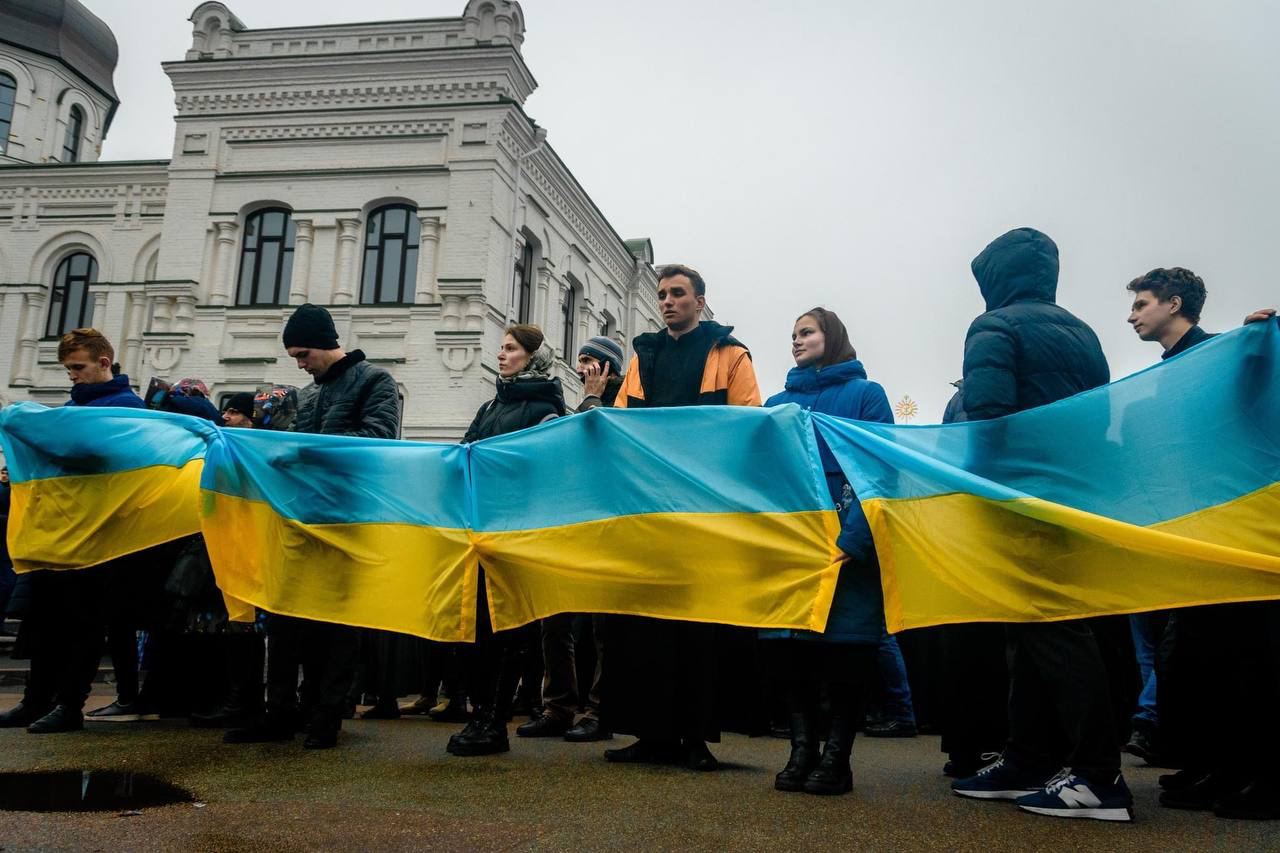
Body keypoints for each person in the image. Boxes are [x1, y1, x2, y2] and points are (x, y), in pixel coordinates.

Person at [948, 228, 1134, 822]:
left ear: (993, 278)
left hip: (1016, 498)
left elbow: (988, 418)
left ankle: (1099, 775)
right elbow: (1094, 417)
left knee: (1052, 630)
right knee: (1031, 631)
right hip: (1072, 496)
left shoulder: (993, 327)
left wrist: (973, 494)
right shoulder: (1084, 332)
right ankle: (1028, 757)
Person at [1127, 269, 1279, 820]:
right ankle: (1217, 767)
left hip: (1235, 535)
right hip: (1195, 535)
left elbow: (1258, 399)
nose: (1132, 315)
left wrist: (1260, 340)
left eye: (1142, 304)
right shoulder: (1167, 375)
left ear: (1174, 303)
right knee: (1196, 660)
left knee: (1242, 661)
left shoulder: (1221, 355)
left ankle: (1260, 778)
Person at [603, 264, 761, 772]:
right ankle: (650, 735)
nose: (668, 301)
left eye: (678, 294)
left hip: (704, 509)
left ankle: (696, 738)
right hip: (650, 509)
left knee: (698, 625)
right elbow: (622, 426)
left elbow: (747, 425)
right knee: (643, 621)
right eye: (662, 294)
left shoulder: (731, 355)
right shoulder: (642, 355)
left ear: (699, 301)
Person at [226, 304, 400, 750]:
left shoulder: (376, 381)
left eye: (303, 354)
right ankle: (281, 712)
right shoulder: (306, 395)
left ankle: (326, 715)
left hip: (345, 521)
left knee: (336, 627)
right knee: (285, 622)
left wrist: (303, 450)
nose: (300, 363)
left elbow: (380, 442)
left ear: (325, 343)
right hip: (300, 520)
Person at [758, 307, 892, 795]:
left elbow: (877, 468)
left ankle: (838, 759)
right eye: (792, 334)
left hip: (846, 544)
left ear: (831, 336)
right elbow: (762, 473)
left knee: (845, 654)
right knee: (789, 654)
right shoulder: (776, 402)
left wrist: (854, 539)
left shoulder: (865, 395)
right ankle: (802, 751)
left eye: (806, 332)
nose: (796, 341)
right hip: (791, 547)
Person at [0, 329, 146, 735]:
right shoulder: (73, 407)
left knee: (82, 624)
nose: (73, 376)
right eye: (68, 369)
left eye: (78, 367)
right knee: (46, 621)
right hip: (63, 531)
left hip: (99, 537)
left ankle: (68, 705)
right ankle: (36, 701)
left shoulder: (127, 409)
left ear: (104, 363)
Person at [447, 323, 567, 756]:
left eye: (511, 349)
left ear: (532, 357)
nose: (501, 355)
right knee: (477, 627)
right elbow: (464, 452)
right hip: (480, 528)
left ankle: (494, 720)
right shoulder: (490, 406)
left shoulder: (545, 409)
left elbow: (546, 467)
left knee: (506, 630)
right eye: (501, 348)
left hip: (516, 530)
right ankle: (481, 713)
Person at [514, 336, 624, 743]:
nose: (582, 371)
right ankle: (557, 706)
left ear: (609, 369)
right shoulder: (577, 407)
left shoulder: (625, 406)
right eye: (579, 362)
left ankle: (600, 711)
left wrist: (594, 399)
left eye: (591, 363)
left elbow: (598, 443)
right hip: (568, 524)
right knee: (553, 619)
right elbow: (564, 446)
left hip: (606, 528)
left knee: (602, 626)